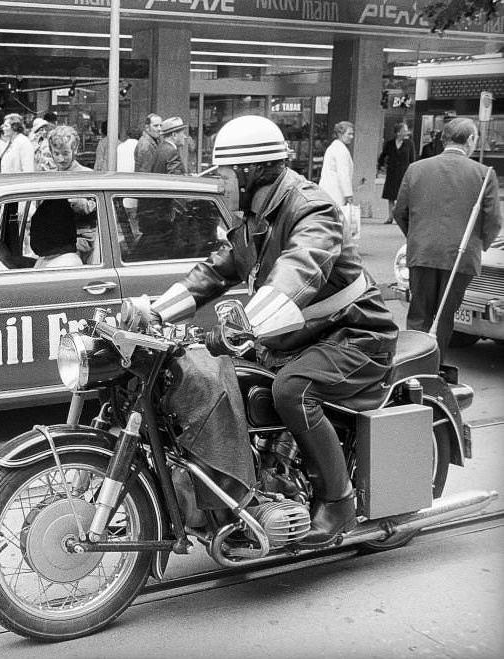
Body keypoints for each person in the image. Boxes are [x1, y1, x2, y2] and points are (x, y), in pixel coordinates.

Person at [150, 115, 399, 547]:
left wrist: (247, 325)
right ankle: (244, 487)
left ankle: (337, 503)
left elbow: (299, 268)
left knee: (292, 390)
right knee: (224, 377)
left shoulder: (312, 208)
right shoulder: (254, 218)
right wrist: (153, 311)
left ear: (250, 172)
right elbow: (216, 271)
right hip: (303, 338)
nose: (220, 186)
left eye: (225, 176)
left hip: (355, 336)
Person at [392, 117, 501, 360]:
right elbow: (493, 221)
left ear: (444, 139)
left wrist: (417, 236)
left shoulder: (416, 169)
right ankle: (433, 367)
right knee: (444, 316)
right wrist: (480, 244)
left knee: (418, 313)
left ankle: (411, 367)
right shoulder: (483, 174)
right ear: (471, 140)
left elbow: (400, 212)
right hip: (460, 256)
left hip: (422, 252)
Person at [46, 125, 97, 263]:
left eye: (65, 153)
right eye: (56, 154)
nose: (61, 159)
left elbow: (94, 207)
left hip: (80, 240)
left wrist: (71, 199)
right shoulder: (49, 177)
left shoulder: (87, 176)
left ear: (75, 150)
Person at [377, 122, 415, 224]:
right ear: (398, 132)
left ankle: (402, 217)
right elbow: (383, 156)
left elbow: (412, 159)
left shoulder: (409, 144)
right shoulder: (390, 144)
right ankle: (390, 217)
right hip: (392, 173)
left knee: (403, 196)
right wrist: (381, 166)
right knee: (391, 196)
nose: (407, 132)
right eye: (404, 130)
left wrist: (412, 172)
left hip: (404, 173)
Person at [318, 121, 355, 208]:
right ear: (340, 134)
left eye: (352, 134)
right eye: (349, 134)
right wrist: (348, 194)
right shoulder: (341, 150)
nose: (351, 137)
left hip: (328, 190)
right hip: (336, 191)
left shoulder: (333, 147)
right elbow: (343, 174)